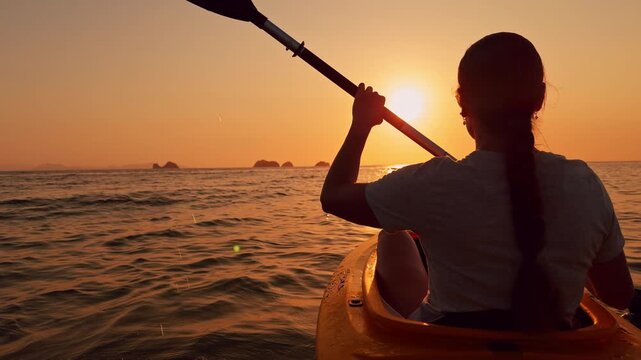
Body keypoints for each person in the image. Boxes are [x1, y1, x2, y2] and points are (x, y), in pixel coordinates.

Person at [320, 32, 633, 330]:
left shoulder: (432, 183)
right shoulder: (584, 184)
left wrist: (361, 123)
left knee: (393, 236)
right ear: (539, 98)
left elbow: (333, 196)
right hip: (559, 344)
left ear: (462, 101)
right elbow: (617, 295)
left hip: (443, 345)